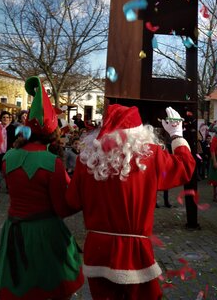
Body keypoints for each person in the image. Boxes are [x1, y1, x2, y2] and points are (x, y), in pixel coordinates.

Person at [65, 104, 195, 300]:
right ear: (140, 132)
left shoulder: (87, 158)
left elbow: (72, 202)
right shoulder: (150, 154)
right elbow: (185, 167)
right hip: (134, 253)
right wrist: (177, 135)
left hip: (97, 250)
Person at [0, 77, 83, 300]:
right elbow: (62, 208)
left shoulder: (8, 157)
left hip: (14, 231)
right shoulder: (51, 162)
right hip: (44, 234)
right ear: (54, 132)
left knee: (22, 290)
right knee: (51, 288)